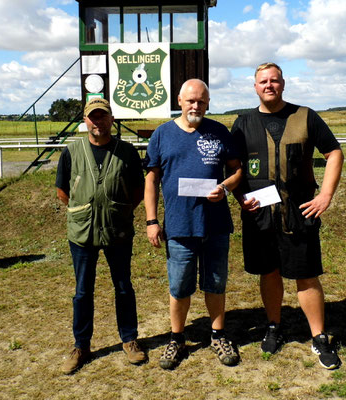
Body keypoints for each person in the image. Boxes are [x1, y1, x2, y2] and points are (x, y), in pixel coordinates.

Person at [231, 63, 344, 369]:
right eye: (263, 81)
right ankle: (273, 326)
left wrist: (326, 195)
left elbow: (334, 153)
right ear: (255, 87)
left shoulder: (305, 116)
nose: (269, 85)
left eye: (274, 80)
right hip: (259, 216)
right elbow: (232, 166)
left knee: (306, 276)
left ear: (283, 84)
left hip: (299, 213)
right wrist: (239, 196)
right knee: (268, 272)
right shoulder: (243, 122)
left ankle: (320, 338)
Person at [144, 79, 243, 369]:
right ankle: (176, 339)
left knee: (215, 284)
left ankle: (218, 335)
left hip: (215, 225)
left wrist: (224, 188)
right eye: (190, 101)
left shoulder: (219, 132)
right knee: (179, 287)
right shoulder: (162, 134)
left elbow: (237, 171)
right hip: (178, 226)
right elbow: (151, 180)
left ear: (208, 102)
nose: (195, 106)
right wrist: (152, 221)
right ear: (179, 101)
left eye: (201, 101)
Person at [56, 98, 147, 374]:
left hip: (117, 231)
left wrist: (115, 210)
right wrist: (86, 209)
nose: (98, 122)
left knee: (123, 287)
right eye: (92, 117)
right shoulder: (71, 152)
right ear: (85, 120)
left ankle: (129, 340)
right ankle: (81, 345)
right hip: (82, 233)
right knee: (83, 291)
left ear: (111, 119)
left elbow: (138, 192)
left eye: (103, 116)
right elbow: (63, 192)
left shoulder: (127, 152)